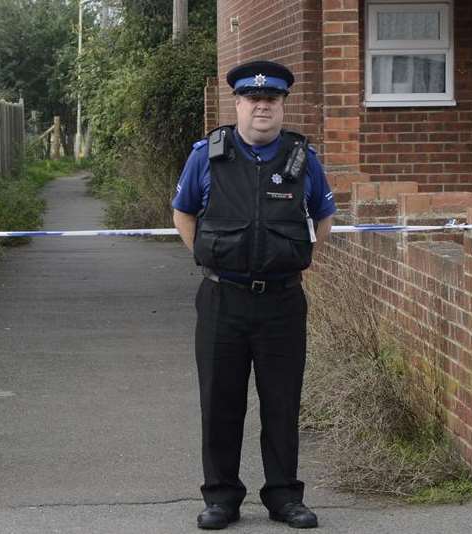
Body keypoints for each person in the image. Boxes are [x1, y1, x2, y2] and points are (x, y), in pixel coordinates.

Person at [172, 60, 336, 530]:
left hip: (282, 301)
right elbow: (183, 213)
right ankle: (221, 498)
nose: (262, 106)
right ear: (238, 104)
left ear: (282, 105)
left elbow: (324, 214)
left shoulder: (303, 158)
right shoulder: (208, 155)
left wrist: (301, 257)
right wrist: (209, 258)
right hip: (223, 298)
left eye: (272, 100)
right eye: (252, 99)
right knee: (220, 401)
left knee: (282, 402)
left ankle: (285, 496)